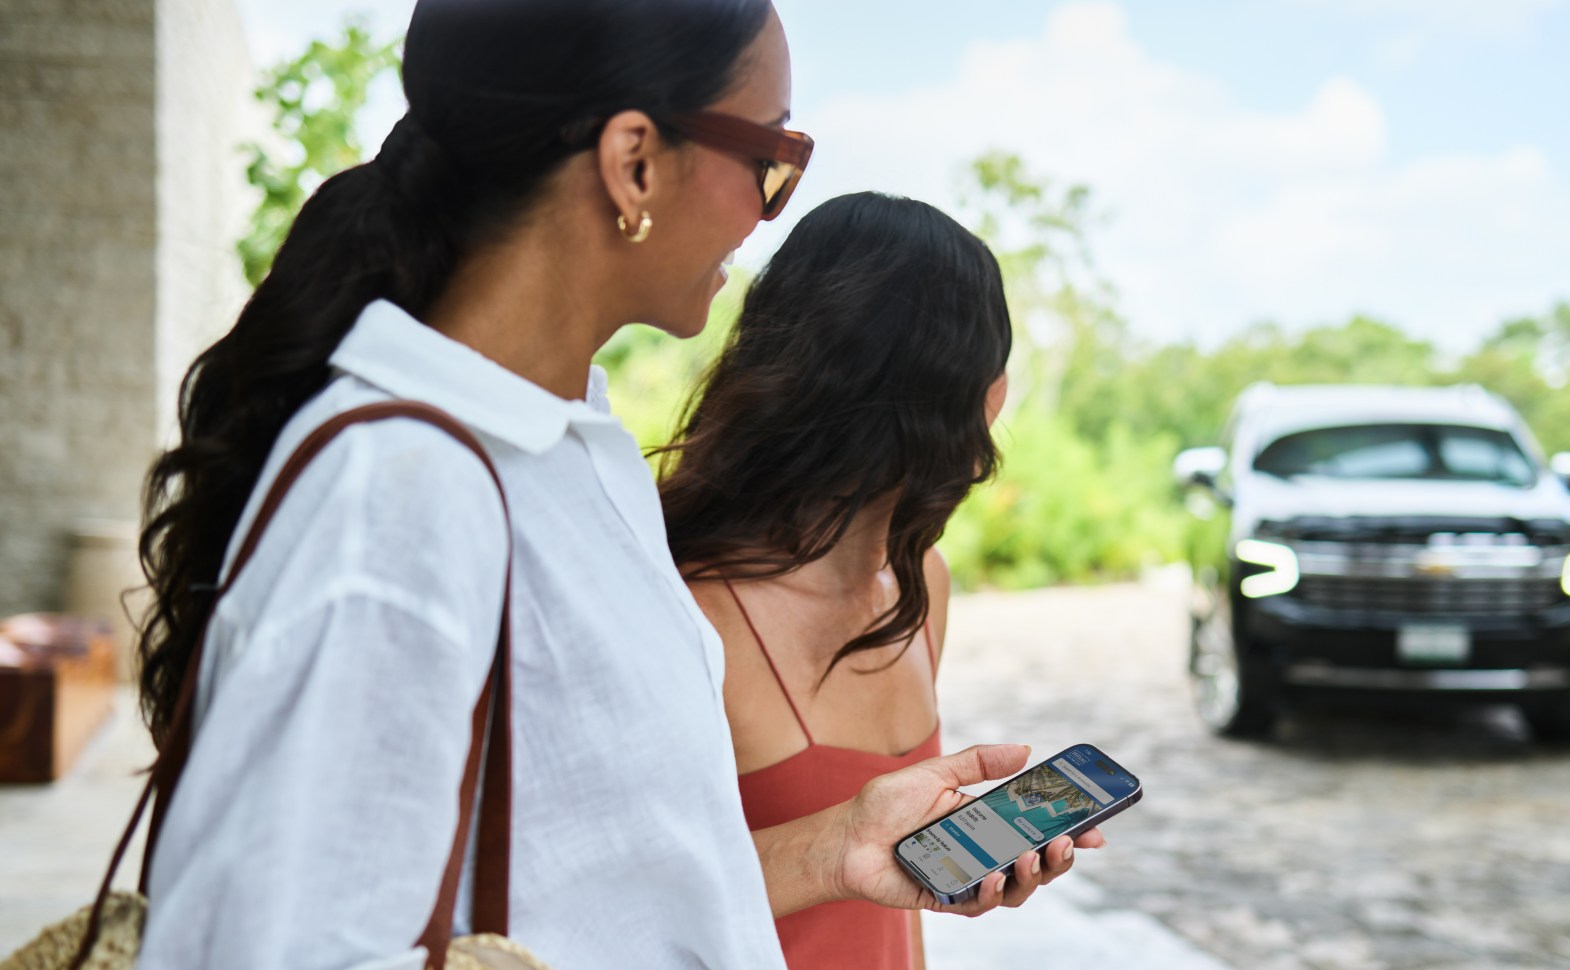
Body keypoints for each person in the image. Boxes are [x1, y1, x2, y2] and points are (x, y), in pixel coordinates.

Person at [132, 3, 1055, 967]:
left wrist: (842, 844)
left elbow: (587, 888)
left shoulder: (577, 459)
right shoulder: (400, 495)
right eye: (769, 157)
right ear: (634, 163)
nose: (767, 211)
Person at [660, 192, 1100, 970]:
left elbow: (892, 925)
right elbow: (615, 894)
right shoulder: (688, 606)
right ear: (975, 394)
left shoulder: (921, 585)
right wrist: (830, 851)